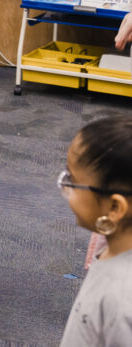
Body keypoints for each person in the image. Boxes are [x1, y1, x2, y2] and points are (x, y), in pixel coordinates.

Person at [58, 116, 132, 346]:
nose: (64, 185)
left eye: (72, 180)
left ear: (114, 207)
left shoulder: (122, 299)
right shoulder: (114, 250)